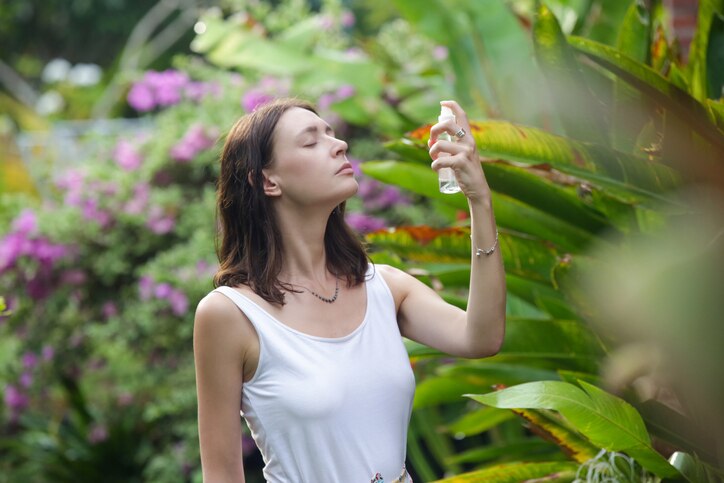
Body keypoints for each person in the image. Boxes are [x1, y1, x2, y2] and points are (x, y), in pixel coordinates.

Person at [193, 97, 506, 482]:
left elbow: (482, 337)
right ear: (267, 180)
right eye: (311, 142)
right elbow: (222, 475)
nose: (338, 145)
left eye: (332, 134)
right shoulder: (229, 315)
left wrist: (480, 200)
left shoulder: (386, 288)